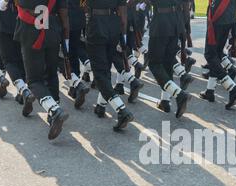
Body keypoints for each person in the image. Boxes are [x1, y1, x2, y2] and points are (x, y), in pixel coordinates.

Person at [14, 0, 70, 140]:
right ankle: (53, 114)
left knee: (34, 80)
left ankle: (54, 110)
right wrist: (66, 38)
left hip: (30, 29)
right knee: (51, 74)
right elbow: (64, 12)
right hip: (52, 27)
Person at [83, 0, 135, 131]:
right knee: (105, 68)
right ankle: (101, 105)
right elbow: (123, 13)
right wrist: (122, 36)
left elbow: (82, 6)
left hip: (96, 24)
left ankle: (121, 110)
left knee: (100, 74)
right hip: (113, 24)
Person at [147, 0, 191, 118]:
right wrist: (185, 27)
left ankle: (179, 95)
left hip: (161, 22)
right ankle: (165, 101)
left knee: (154, 63)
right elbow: (186, 5)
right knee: (168, 62)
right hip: (176, 21)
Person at [199, 0, 236, 109]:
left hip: (218, 16)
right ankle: (210, 90)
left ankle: (232, 88)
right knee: (217, 55)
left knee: (209, 55)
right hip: (229, 17)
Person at [66, 0, 90, 109]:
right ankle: (73, 86)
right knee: (74, 53)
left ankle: (75, 84)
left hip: (64, 19)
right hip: (78, 18)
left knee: (64, 57)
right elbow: (84, 3)